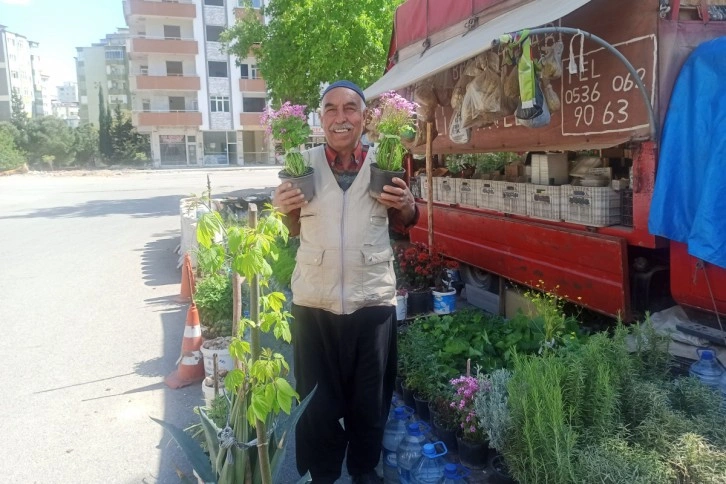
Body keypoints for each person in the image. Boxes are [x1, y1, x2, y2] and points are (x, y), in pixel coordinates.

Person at [272, 80, 419, 484]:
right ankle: (321, 473)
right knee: (316, 402)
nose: (341, 117)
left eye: (351, 108)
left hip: (371, 299)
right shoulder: (301, 163)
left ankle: (363, 470)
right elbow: (291, 227)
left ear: (366, 116)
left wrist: (408, 206)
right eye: (332, 109)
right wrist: (281, 208)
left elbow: (406, 221)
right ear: (321, 118)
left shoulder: (383, 160)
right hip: (314, 301)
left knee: (368, 401)